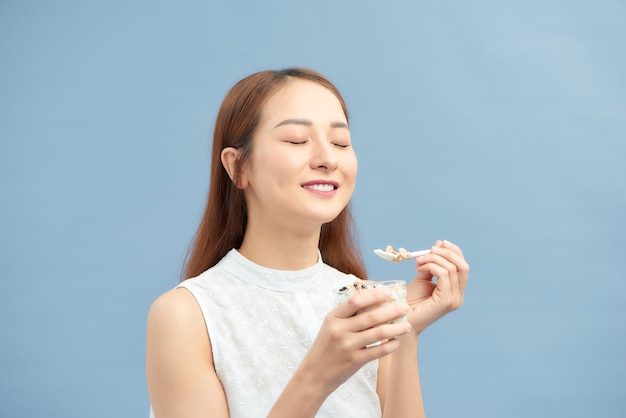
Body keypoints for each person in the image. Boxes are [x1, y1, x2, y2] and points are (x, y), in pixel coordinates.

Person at [145, 67, 470, 418]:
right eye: (297, 140)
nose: (328, 159)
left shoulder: (366, 301)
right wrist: (317, 376)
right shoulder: (185, 315)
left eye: (341, 143)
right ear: (238, 167)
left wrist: (405, 333)